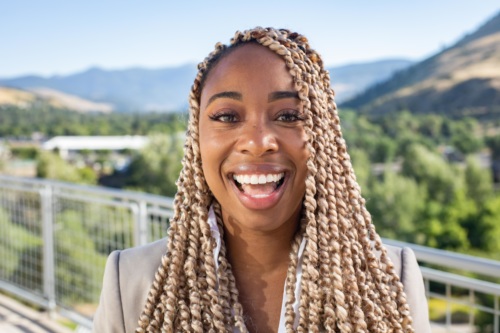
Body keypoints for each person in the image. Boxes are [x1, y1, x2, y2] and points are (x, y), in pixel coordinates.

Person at [92, 27, 431, 333]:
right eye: (227, 116)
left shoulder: (392, 277)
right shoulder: (131, 281)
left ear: (325, 137)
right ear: (196, 139)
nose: (257, 142)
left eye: (288, 116)